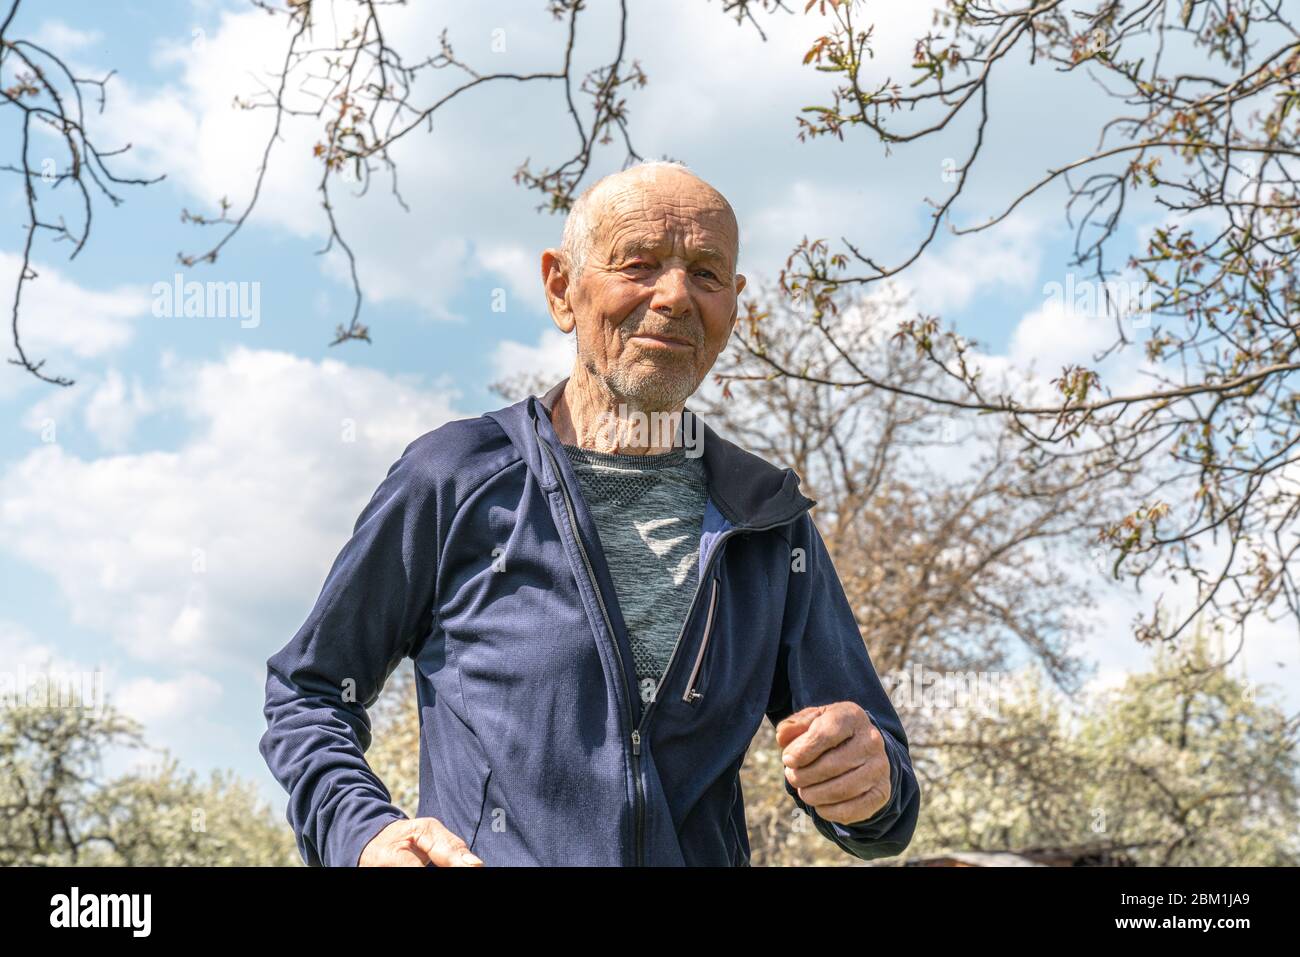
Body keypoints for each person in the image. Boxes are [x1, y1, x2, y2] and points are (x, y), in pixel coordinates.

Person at [258, 159, 919, 866]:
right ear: (560, 287)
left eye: (705, 272)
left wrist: (870, 784)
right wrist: (365, 833)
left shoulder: (767, 521)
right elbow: (309, 690)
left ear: (734, 301)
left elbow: (885, 799)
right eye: (638, 264)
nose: (673, 296)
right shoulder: (455, 478)